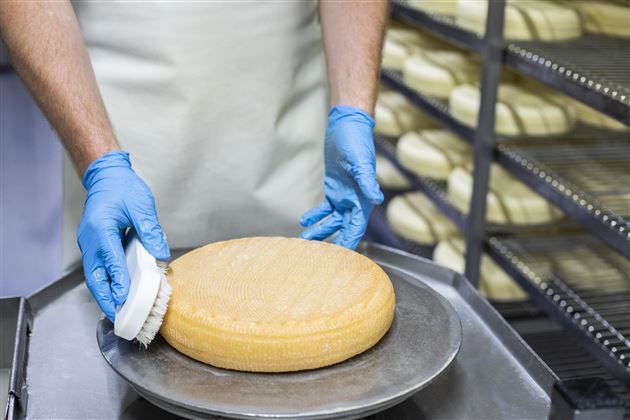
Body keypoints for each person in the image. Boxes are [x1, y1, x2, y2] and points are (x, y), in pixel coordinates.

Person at [0, 2, 387, 322]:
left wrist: (352, 107)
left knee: (307, 315)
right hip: (118, 136)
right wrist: (99, 162)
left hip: (286, 139)